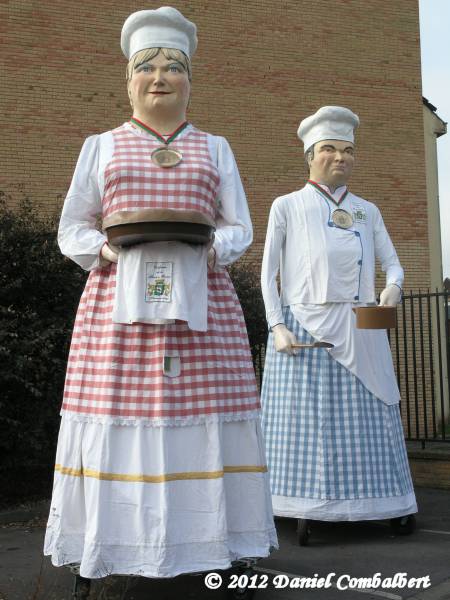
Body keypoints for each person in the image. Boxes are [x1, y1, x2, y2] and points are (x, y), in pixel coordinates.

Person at [44, 6, 277, 588]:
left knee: (204, 418)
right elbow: (72, 228)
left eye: (173, 67)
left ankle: (216, 543)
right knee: (120, 416)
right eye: (146, 67)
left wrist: (206, 249)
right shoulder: (100, 146)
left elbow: (240, 227)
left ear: (190, 81)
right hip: (116, 308)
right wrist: (107, 250)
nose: (159, 78)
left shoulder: (216, 148)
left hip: (203, 308)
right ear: (128, 81)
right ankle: (108, 545)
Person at [260, 106, 417, 544]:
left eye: (348, 150)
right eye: (329, 148)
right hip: (303, 326)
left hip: (361, 325)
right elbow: (268, 273)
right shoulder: (287, 206)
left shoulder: (368, 211)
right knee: (306, 419)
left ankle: (384, 501)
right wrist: (277, 325)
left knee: (372, 412)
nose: (340, 157)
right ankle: (302, 503)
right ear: (310, 155)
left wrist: (393, 288)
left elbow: (394, 264)